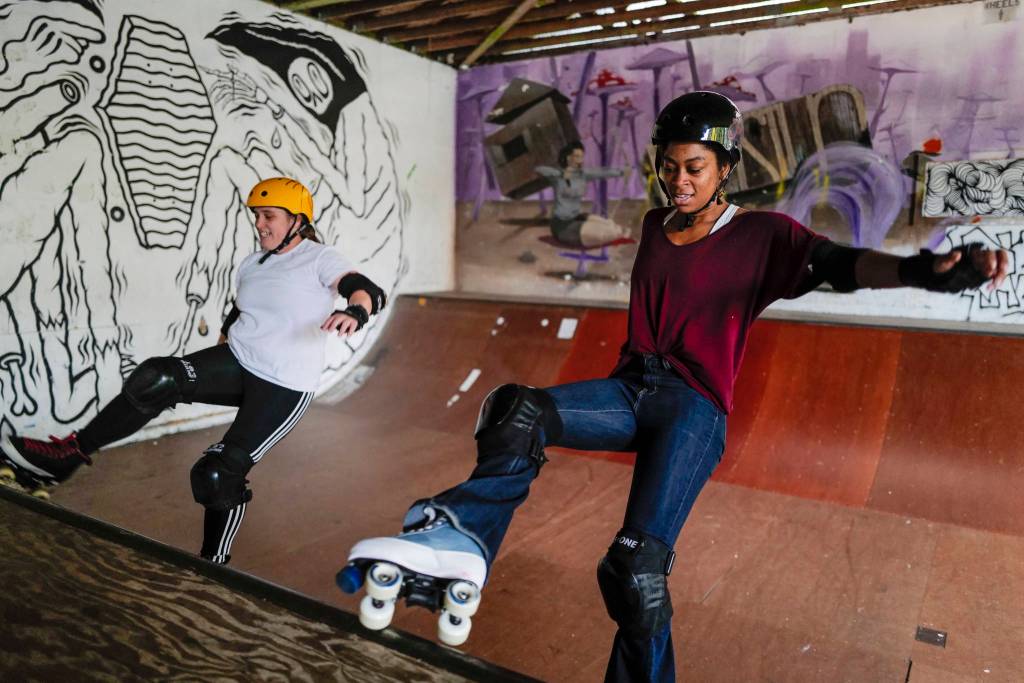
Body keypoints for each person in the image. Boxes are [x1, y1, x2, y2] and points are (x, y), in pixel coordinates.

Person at [344, 91, 1009, 681]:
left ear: (725, 168)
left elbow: (843, 264)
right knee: (517, 409)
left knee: (635, 573)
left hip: (693, 410)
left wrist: (928, 272)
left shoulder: (762, 235)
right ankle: (464, 536)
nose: (678, 180)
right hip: (631, 390)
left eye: (694, 168)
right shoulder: (654, 227)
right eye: (670, 165)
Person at [0, 177, 388, 565]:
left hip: (283, 387)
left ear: (297, 220)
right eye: (256, 216)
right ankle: (67, 455)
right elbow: (240, 309)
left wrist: (354, 311)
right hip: (238, 361)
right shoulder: (253, 263)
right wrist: (220, 344)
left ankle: (211, 565)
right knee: (158, 377)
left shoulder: (319, 258)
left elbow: (364, 288)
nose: (260, 224)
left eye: (269, 216)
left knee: (216, 473)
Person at [535, 140, 632, 247]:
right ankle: (615, 233)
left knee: (610, 224)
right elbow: (538, 168)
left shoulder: (582, 174)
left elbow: (602, 172)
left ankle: (615, 231)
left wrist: (622, 172)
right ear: (568, 157)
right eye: (576, 156)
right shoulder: (557, 176)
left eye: (581, 156)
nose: (579, 160)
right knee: (612, 232)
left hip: (578, 216)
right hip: (562, 226)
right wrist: (560, 174)